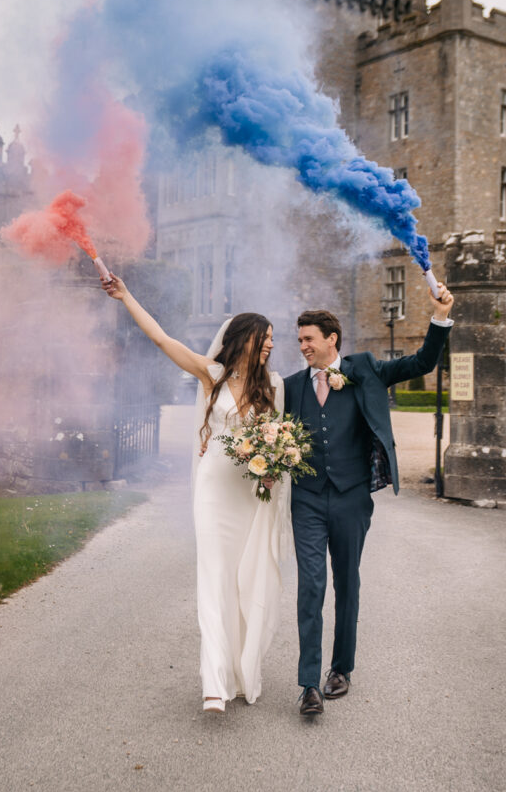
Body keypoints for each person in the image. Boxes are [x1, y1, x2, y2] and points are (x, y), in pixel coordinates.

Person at [102, 274, 289, 713]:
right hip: (213, 490)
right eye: (265, 339)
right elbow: (161, 339)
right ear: (245, 338)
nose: (270, 346)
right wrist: (127, 295)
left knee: (246, 581)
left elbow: (279, 443)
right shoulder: (213, 375)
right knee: (214, 576)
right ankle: (213, 681)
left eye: (274, 341)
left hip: (249, 496)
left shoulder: (274, 388)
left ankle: (241, 670)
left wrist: (273, 472)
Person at [284, 279, 454, 716]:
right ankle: (308, 685)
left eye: (308, 339)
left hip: (352, 497)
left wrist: (438, 316)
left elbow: (423, 361)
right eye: (299, 339)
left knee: (347, 583)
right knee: (311, 586)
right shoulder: (290, 387)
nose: (301, 345)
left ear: (330, 340)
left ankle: (341, 669)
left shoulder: (366, 369)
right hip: (306, 499)